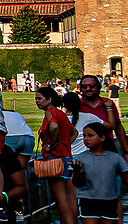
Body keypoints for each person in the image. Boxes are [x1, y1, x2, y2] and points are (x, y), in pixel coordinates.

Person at [35, 85, 82, 224]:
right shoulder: (61, 113)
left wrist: (54, 144)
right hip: (67, 158)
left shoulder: (50, 113)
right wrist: (65, 143)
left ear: (49, 99)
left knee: (60, 199)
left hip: (55, 159)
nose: (37, 101)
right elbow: (75, 133)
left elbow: (54, 127)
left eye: (39, 98)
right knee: (70, 198)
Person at [80, 122, 127, 223]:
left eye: (90, 135)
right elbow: (77, 183)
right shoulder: (80, 158)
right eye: (84, 136)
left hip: (109, 201)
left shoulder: (115, 158)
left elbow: (126, 178)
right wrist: (76, 170)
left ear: (102, 138)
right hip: (88, 201)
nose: (86, 139)